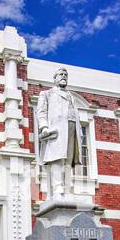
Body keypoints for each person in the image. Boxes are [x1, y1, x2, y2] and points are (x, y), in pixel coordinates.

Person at [37, 67, 82, 198]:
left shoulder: (71, 96)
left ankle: (67, 189)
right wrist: (44, 127)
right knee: (56, 158)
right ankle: (57, 188)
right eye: (61, 74)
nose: (63, 76)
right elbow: (41, 112)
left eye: (65, 75)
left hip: (71, 127)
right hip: (56, 130)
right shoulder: (47, 94)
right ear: (55, 78)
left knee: (68, 161)